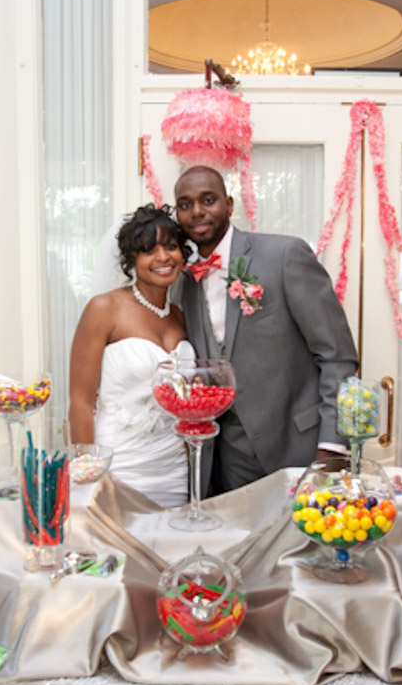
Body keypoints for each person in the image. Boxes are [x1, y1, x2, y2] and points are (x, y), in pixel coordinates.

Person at [174, 167, 359, 496]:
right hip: (228, 460)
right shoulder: (183, 282)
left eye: (208, 200)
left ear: (229, 205)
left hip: (300, 447)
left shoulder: (284, 255)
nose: (197, 211)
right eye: (185, 204)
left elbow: (337, 356)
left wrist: (332, 446)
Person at [69, 205, 195, 507]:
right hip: (119, 462)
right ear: (131, 260)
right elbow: (81, 402)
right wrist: (88, 476)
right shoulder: (104, 309)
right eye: (148, 250)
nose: (163, 257)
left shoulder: (179, 315)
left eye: (171, 246)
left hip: (173, 465)